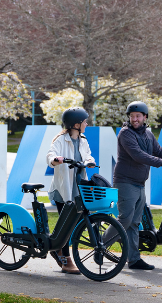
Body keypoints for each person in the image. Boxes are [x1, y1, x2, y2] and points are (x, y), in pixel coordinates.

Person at [113, 101, 162, 270]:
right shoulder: (125, 134)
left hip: (139, 183)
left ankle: (133, 260)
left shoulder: (148, 134)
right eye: (132, 116)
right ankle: (100, 245)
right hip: (125, 181)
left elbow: (158, 150)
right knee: (125, 219)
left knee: (134, 222)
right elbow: (138, 155)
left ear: (145, 117)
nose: (134, 119)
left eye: (138, 116)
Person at [44, 107, 96, 275]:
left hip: (78, 187)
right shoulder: (60, 140)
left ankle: (57, 249)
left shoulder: (83, 140)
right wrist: (55, 160)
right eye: (84, 121)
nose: (86, 124)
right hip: (63, 188)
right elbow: (50, 155)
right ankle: (66, 259)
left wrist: (89, 160)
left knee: (74, 224)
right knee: (66, 226)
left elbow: (88, 154)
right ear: (76, 124)